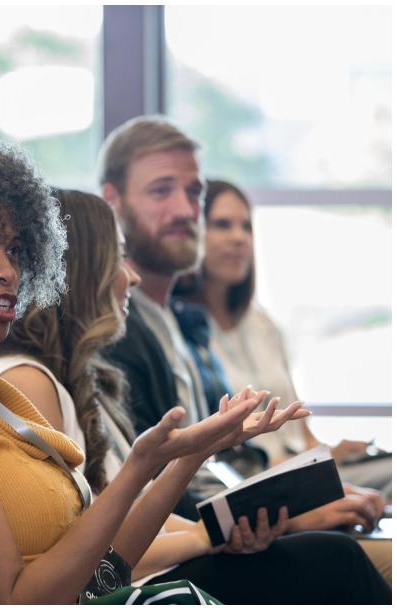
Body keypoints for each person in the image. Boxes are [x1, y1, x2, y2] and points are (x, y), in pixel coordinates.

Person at [0, 142, 307, 604]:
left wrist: (180, 459)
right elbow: (15, 600)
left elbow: (101, 576)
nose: (8, 271)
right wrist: (143, 470)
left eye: (15, 250)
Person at [0, 188, 391, 603]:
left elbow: (125, 520)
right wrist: (206, 532)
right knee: (341, 559)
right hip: (132, 585)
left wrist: (206, 492)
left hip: (146, 569)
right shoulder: (29, 381)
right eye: (118, 258)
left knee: (337, 553)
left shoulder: (75, 377)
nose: (132, 276)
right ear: (79, 273)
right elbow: (91, 561)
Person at [97, 115, 390, 578]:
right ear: (112, 201)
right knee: (355, 559)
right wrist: (286, 513)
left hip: (210, 530)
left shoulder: (172, 320)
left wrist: (278, 506)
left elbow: (204, 473)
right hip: (161, 558)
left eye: (193, 193)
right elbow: (150, 490)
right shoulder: (118, 332)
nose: (183, 209)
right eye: (161, 191)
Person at [184, 178, 391, 495]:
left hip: (299, 466)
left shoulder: (261, 322)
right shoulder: (184, 331)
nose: (239, 238)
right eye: (222, 225)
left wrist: (336, 451)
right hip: (253, 479)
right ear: (193, 232)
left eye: (246, 227)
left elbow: (304, 435)